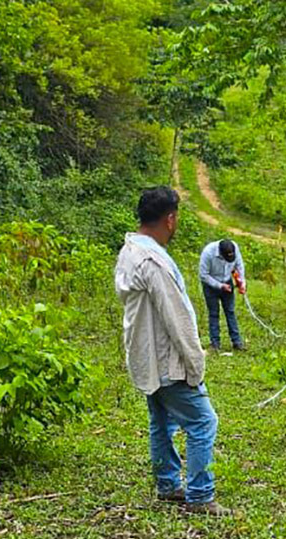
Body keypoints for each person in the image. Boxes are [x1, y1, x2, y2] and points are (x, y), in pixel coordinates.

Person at [114, 186, 225, 516]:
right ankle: (200, 495)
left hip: (145, 356)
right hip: (166, 360)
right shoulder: (153, 262)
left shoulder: (129, 251)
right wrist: (195, 362)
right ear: (171, 219)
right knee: (203, 422)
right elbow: (177, 318)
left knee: (161, 421)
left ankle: (167, 484)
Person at [199, 238, 247, 352]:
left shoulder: (234, 247)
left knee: (230, 311)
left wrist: (242, 282)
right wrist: (220, 286)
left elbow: (239, 265)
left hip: (227, 282)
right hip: (211, 285)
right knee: (214, 313)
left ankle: (237, 342)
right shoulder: (208, 253)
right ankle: (215, 343)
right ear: (221, 254)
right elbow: (203, 275)